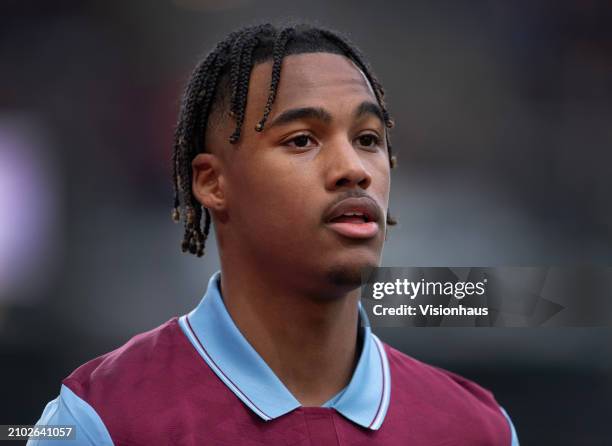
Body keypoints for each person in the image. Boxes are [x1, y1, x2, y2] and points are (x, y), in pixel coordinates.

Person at [30, 23, 519, 445]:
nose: (354, 168)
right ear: (212, 182)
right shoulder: (101, 421)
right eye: (302, 139)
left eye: (368, 139)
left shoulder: (479, 430)